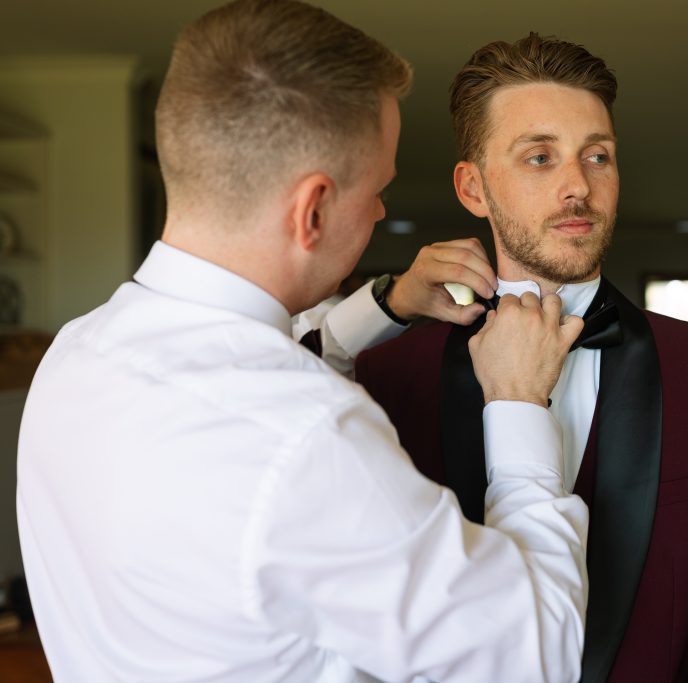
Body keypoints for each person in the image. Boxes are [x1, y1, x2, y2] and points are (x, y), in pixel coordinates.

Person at [16, 4, 590, 682]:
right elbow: (539, 652)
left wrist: (385, 304)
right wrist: (519, 404)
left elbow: (258, 364)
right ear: (312, 209)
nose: (380, 212)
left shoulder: (77, 353)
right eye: (377, 189)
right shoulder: (309, 436)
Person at [351, 34, 688, 682]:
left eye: (598, 156)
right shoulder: (388, 381)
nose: (578, 186)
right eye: (540, 157)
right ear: (473, 187)